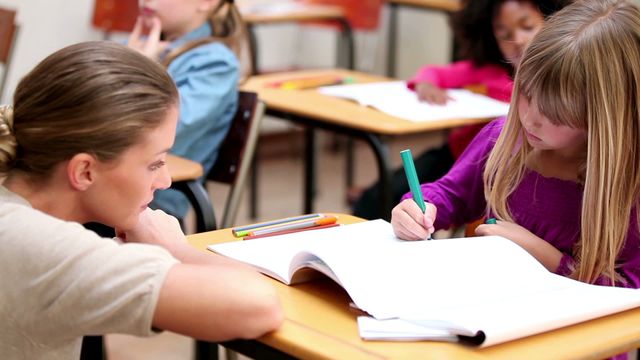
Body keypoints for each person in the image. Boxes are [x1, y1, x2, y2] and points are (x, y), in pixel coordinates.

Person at [0, 41, 282, 359]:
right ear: (84, 171)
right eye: (155, 163)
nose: (165, 181)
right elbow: (260, 304)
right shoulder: (45, 250)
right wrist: (175, 249)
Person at [391, 0, 640, 289]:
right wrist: (417, 208)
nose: (530, 119)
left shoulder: (629, 186)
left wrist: (541, 254)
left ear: (606, 118)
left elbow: (630, 291)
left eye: (555, 113)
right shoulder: (503, 140)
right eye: (527, 93)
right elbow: (453, 195)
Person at [351, 0, 570, 220]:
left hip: (506, 168)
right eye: (503, 33)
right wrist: (426, 84)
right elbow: (433, 72)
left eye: (528, 27)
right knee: (380, 200)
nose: (517, 40)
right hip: (456, 158)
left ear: (553, 22)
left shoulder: (562, 83)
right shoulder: (487, 72)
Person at [127, 0, 251, 220]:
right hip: (115, 188)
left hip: (152, 204)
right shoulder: (145, 46)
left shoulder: (214, 62)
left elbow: (156, 130)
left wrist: (136, 70)